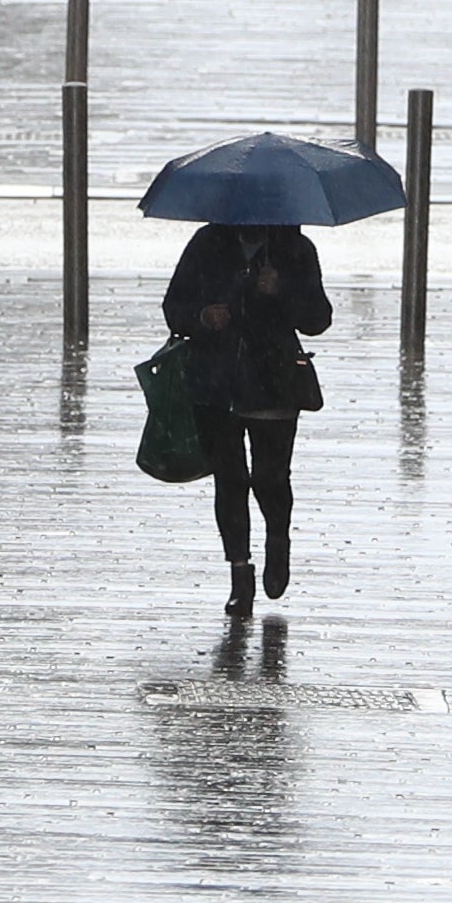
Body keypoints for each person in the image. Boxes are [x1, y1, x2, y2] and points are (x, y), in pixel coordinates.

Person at [164, 221, 332, 619]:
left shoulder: (294, 250)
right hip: (215, 384)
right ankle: (240, 574)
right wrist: (202, 316)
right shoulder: (208, 243)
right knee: (230, 479)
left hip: (273, 382)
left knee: (271, 477)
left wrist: (283, 291)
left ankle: (278, 541)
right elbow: (175, 308)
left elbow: (318, 319)